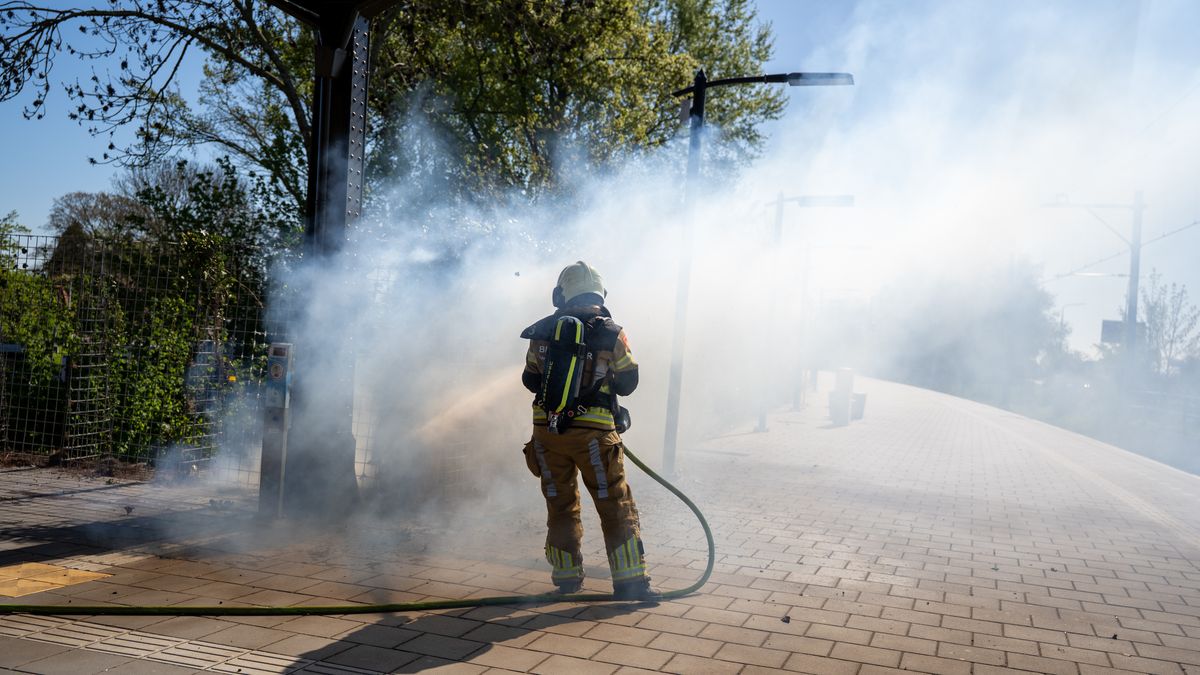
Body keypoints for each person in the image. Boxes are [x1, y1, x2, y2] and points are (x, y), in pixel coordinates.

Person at [519, 261, 656, 600]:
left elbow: (530, 380)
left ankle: (566, 579)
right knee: (613, 503)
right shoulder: (612, 332)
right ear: (601, 294)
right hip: (594, 438)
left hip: (547, 435)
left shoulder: (541, 331)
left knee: (560, 504)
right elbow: (628, 382)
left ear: (559, 295)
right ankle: (631, 584)